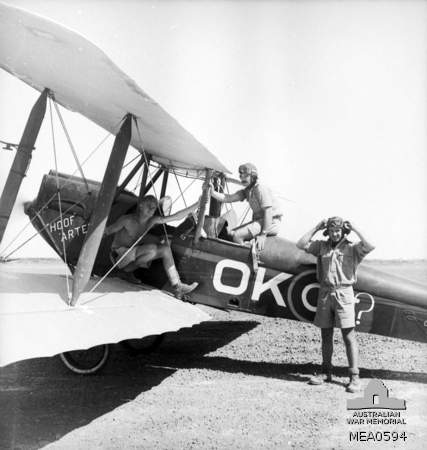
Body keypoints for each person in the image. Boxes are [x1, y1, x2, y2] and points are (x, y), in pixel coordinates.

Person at [296, 216, 375, 393]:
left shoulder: (352, 248)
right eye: (331, 231)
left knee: (348, 336)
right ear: (328, 232)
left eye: (338, 230)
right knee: (326, 335)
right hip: (325, 293)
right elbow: (300, 244)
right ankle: (326, 372)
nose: (335, 233)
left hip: (344, 294)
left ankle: (354, 377)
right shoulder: (321, 247)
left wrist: (354, 227)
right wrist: (316, 227)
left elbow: (370, 245)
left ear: (343, 231)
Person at [105, 195, 199, 299]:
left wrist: (198, 204)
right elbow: (106, 231)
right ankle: (123, 271)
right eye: (148, 206)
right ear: (140, 206)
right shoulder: (127, 220)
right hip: (118, 256)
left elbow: (176, 217)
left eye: (154, 207)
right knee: (152, 249)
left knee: (165, 249)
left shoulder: (151, 221)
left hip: (131, 257)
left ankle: (177, 286)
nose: (151, 209)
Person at [209, 163, 282, 250]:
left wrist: (263, 234)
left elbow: (268, 211)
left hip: (271, 222)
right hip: (260, 222)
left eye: (246, 175)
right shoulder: (247, 191)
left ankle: (246, 255)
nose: (242, 178)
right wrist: (212, 193)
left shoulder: (260, 188)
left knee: (237, 236)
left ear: (253, 176)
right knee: (231, 234)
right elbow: (228, 198)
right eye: (241, 176)